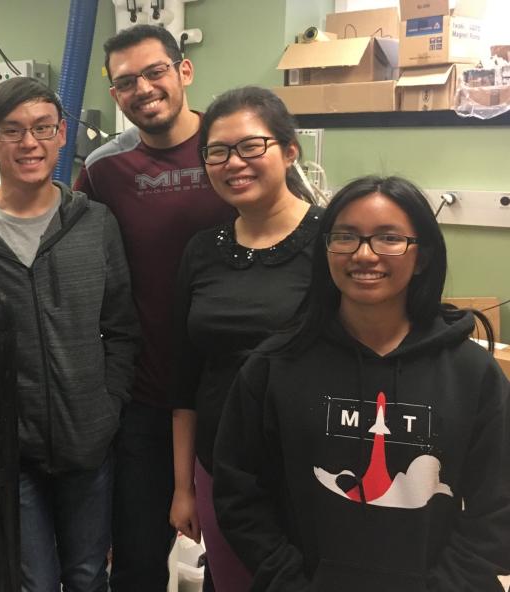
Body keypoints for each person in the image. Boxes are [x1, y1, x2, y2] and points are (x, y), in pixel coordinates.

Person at [213, 175, 510, 591]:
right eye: (346, 237)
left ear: (421, 255)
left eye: (388, 238)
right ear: (327, 250)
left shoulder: (472, 374)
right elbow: (239, 495)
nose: (364, 254)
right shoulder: (274, 367)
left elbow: (497, 510)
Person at [74, 24, 235, 591]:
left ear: (183, 71)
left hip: (231, 397)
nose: (142, 88)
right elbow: (68, 258)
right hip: (145, 400)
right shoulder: (103, 173)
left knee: (237, 562)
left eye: (154, 71)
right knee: (139, 562)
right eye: (125, 81)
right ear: (114, 94)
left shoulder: (233, 153)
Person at [0, 76, 140, 592]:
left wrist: (108, 407)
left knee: (87, 576)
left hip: (88, 438)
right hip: (8, 446)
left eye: (43, 128)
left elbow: (122, 328)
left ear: (62, 134)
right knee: (34, 583)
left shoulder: (94, 223)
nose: (30, 143)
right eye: (13, 131)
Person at [171, 86, 321, 591]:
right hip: (222, 469)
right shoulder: (202, 251)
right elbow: (186, 377)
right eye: (217, 151)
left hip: (314, 472)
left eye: (251, 146)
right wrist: (183, 487)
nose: (234, 162)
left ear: (289, 150)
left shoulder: (333, 242)